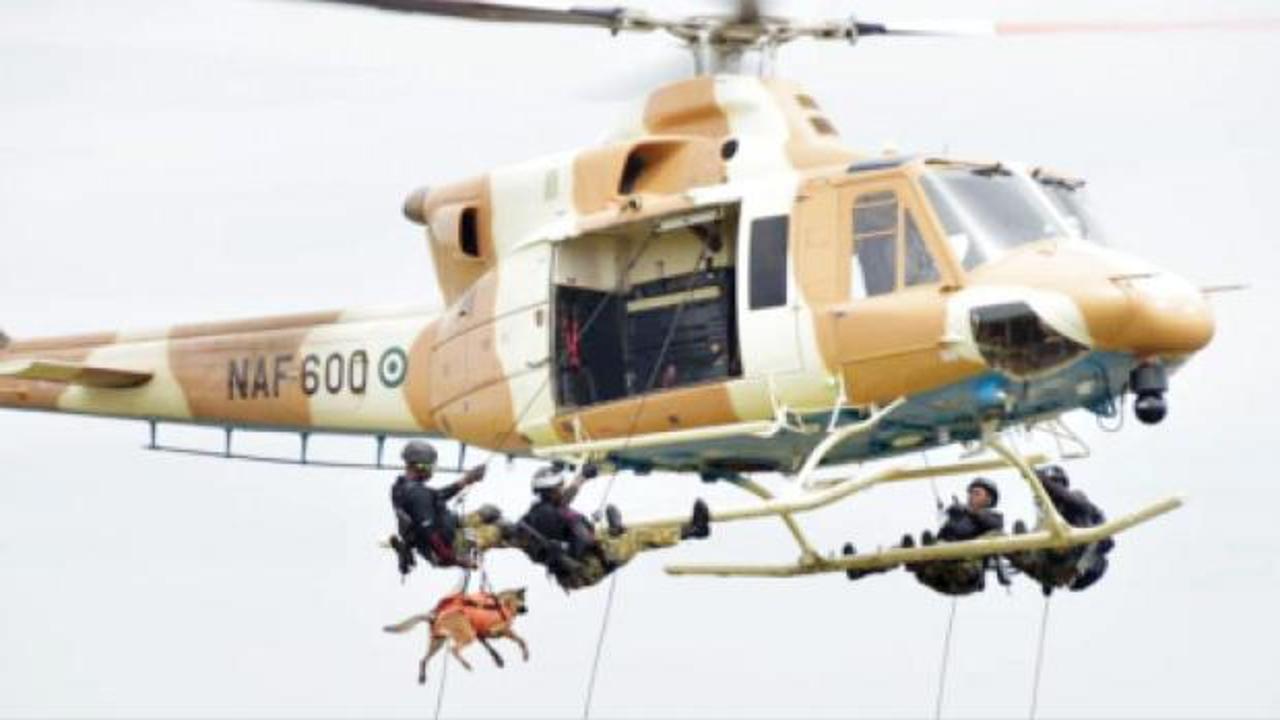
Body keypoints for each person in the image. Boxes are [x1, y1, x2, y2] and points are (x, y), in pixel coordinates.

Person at [513, 464, 712, 590]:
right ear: (552, 490)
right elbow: (584, 541)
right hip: (589, 568)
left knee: (602, 534)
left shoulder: (535, 515)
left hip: (569, 575)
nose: (562, 489)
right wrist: (606, 546)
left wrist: (582, 477)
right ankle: (694, 530)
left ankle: (614, 532)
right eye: (560, 487)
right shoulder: (561, 515)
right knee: (638, 537)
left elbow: (562, 505)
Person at [843, 477, 1007, 594]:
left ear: (988, 499)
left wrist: (966, 511)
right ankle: (859, 569)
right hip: (937, 574)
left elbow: (994, 527)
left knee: (991, 538)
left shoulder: (994, 519)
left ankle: (929, 555)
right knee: (901, 549)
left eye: (976, 493)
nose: (971, 496)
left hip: (964, 575)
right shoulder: (958, 518)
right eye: (970, 493)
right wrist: (954, 517)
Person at [387, 440, 503, 575]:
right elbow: (430, 534)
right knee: (500, 528)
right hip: (452, 546)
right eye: (430, 466)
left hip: (447, 530)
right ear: (421, 466)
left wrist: (466, 480)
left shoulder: (402, 488)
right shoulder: (417, 494)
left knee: (489, 512)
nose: (432, 470)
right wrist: (457, 560)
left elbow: (436, 496)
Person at [1008, 465, 1114, 594]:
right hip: (1051, 569)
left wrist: (1038, 478)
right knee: (1017, 531)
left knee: (1070, 510)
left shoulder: (1076, 501)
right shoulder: (1044, 516)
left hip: (1074, 557)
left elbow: (1068, 499)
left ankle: (1061, 569)